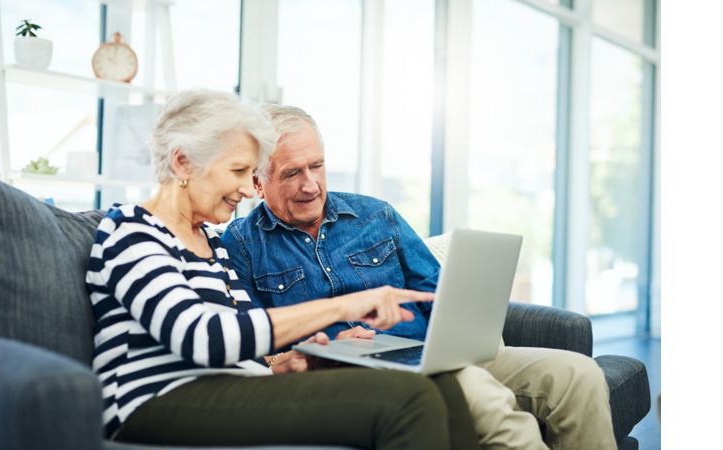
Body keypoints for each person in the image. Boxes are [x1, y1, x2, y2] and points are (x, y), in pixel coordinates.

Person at [86, 89, 481, 450]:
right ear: (183, 162)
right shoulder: (132, 230)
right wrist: (346, 306)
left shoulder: (210, 244)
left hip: (228, 389)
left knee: (440, 384)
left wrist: (286, 364)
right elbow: (201, 337)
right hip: (154, 401)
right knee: (408, 399)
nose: (247, 189)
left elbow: (248, 343)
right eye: (238, 171)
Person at [220, 104, 617, 450]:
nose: (311, 184)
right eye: (292, 173)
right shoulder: (241, 245)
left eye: (318, 166)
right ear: (258, 182)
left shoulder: (377, 215)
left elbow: (439, 292)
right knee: (480, 395)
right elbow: (257, 345)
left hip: (432, 354)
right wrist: (323, 346)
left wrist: (465, 320)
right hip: (355, 377)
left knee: (578, 375)